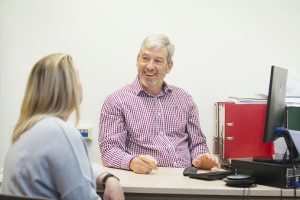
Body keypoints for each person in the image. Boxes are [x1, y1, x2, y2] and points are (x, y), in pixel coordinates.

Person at [2, 54, 125, 200]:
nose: (81, 83)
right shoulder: (60, 133)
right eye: (77, 77)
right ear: (68, 87)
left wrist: (107, 178)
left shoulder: (27, 131)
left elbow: (74, 166)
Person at [99, 34, 220, 174]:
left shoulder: (184, 99)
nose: (150, 66)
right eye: (145, 58)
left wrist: (201, 159)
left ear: (169, 66)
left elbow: (197, 144)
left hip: (186, 180)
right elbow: (108, 150)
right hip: (145, 180)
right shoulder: (116, 101)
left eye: (158, 61)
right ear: (137, 60)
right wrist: (131, 162)